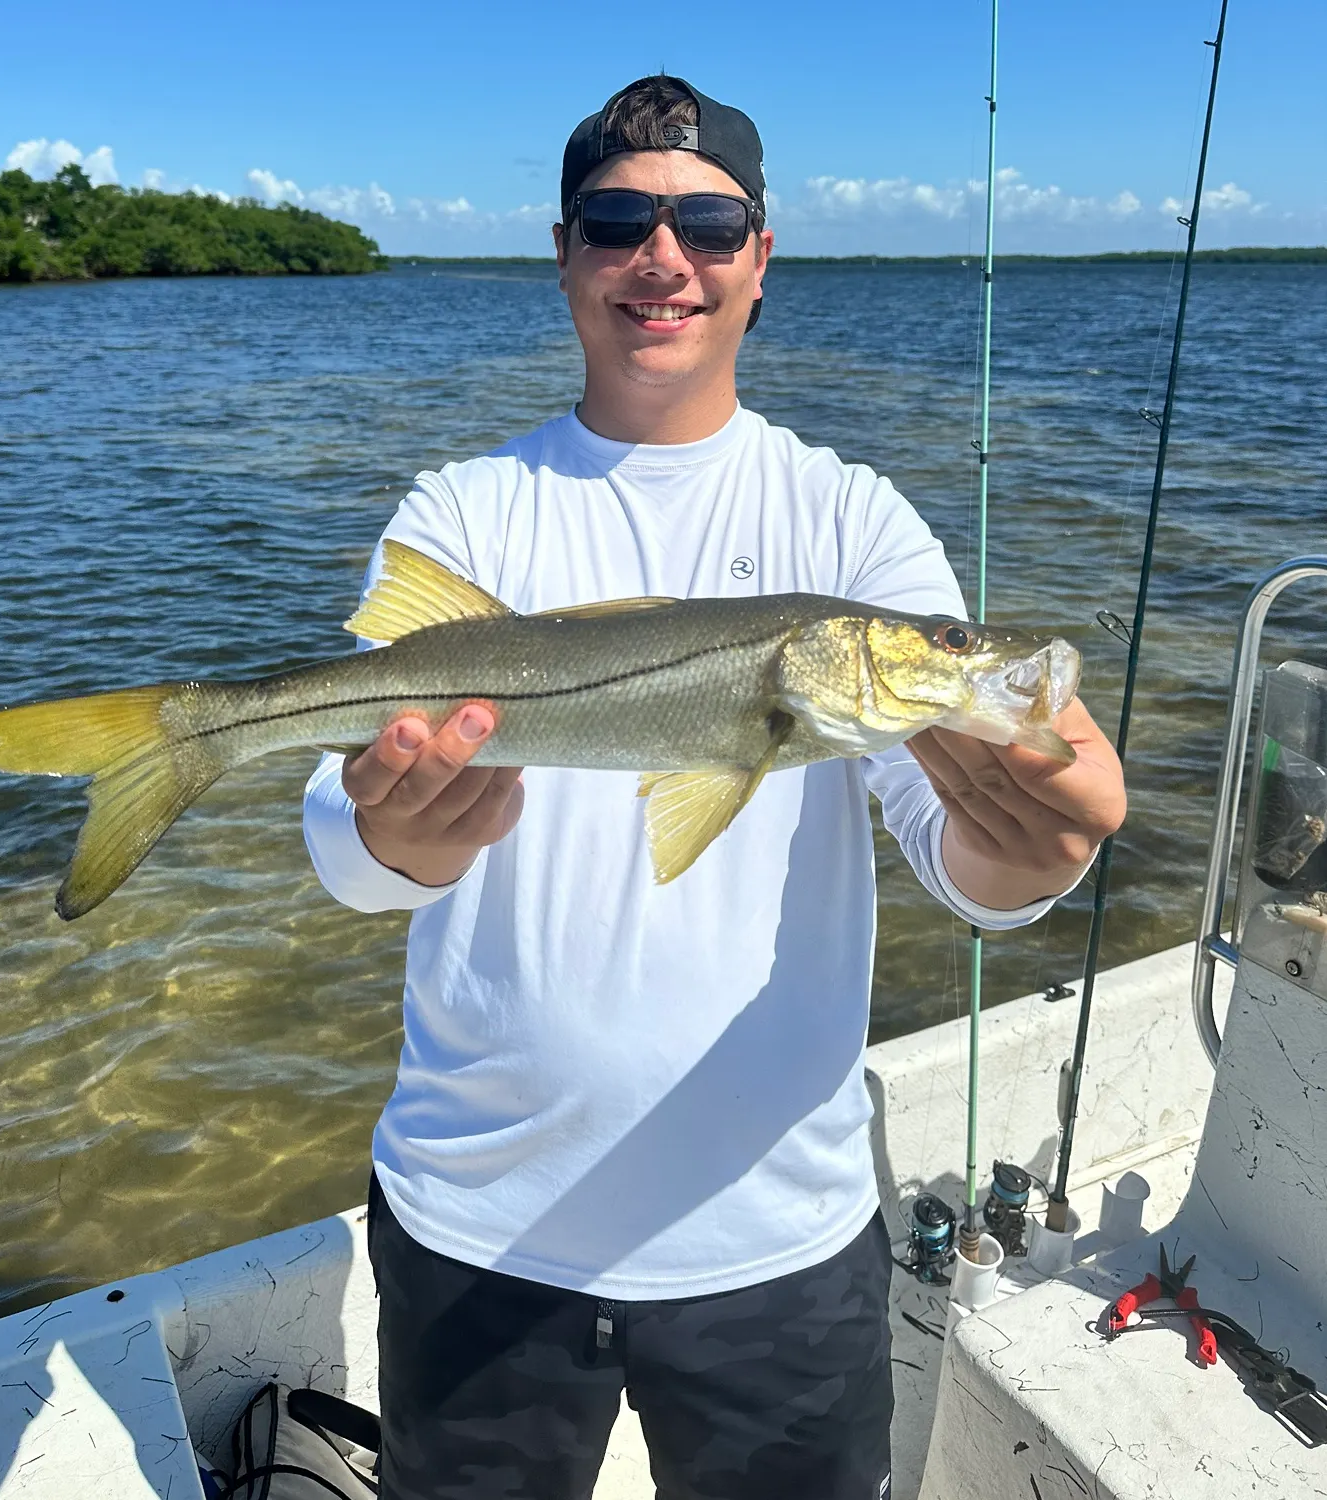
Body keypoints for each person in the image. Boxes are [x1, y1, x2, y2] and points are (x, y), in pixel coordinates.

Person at [304, 75, 1125, 1500]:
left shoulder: (852, 520)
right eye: (619, 220)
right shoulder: (462, 512)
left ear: (760, 260)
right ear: (563, 253)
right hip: (476, 1227)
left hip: (776, 1238)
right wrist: (398, 840)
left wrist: (1037, 854)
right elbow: (339, 838)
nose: (661, 256)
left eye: (708, 221)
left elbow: (954, 854)